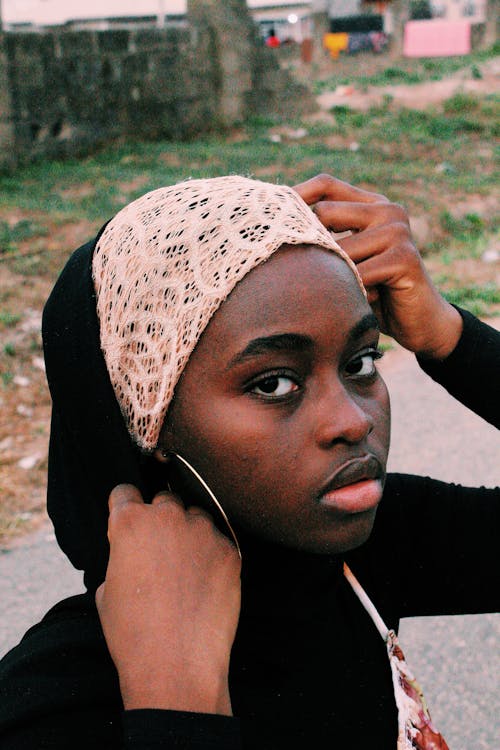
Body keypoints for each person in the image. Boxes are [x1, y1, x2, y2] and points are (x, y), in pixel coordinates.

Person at [0, 174, 498, 749]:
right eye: (274, 382)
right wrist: (177, 703)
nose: (353, 421)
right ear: (148, 423)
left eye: (360, 362)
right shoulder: (54, 704)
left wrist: (449, 336)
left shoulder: (355, 555)